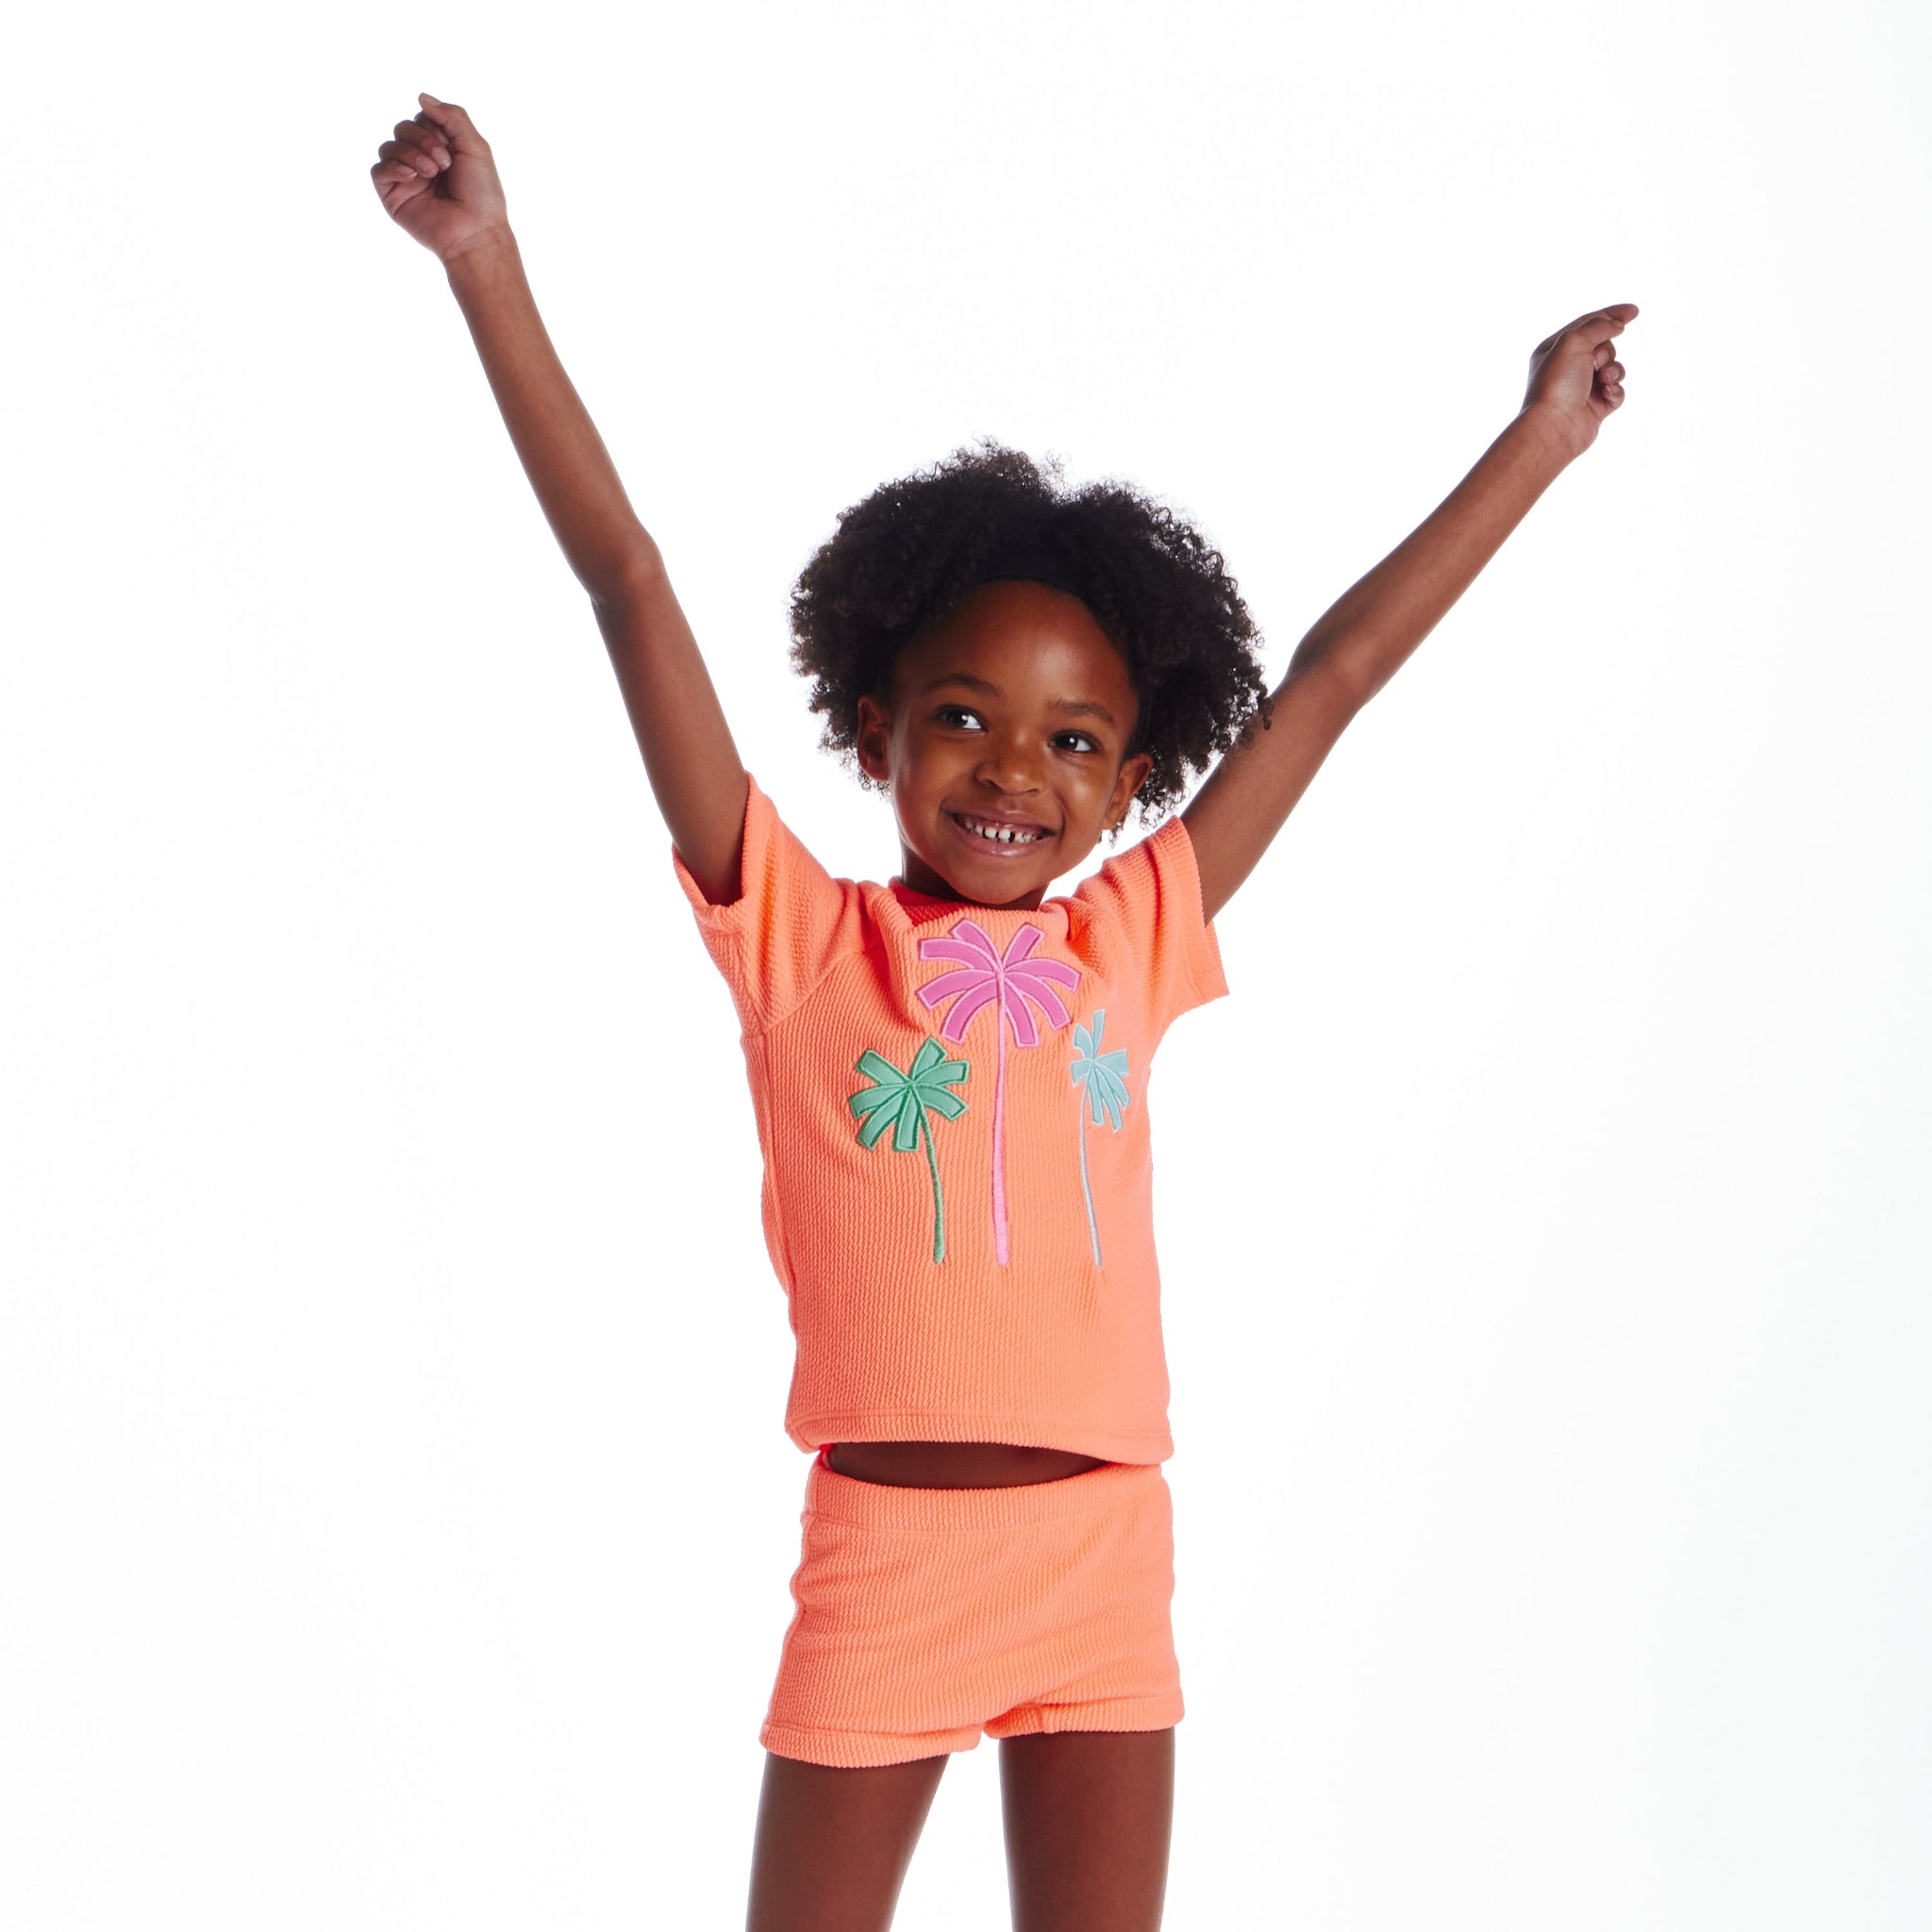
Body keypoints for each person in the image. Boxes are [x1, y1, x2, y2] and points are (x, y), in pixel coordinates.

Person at [370, 91, 1635, 1932]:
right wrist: (484, 265)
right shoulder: (800, 938)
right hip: (885, 1561)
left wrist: (1537, 442)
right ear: (873, 725)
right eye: (963, 717)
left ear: (1131, 779)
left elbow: (1336, 675)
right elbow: (626, 577)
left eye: (1072, 741)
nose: (1014, 772)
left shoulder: (1135, 932)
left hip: (1103, 1555)